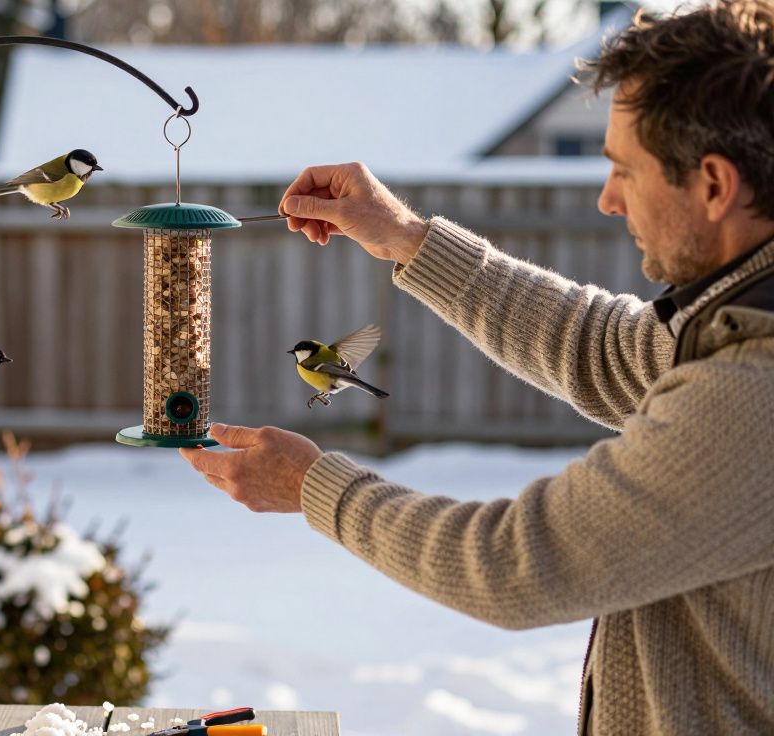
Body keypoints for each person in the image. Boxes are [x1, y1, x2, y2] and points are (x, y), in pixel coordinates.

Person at [179, 1, 774, 733]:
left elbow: (516, 565)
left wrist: (310, 486)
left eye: (625, 170)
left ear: (714, 185)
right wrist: (409, 239)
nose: (607, 199)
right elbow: (601, 348)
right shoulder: (736, 320)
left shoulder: (750, 393)